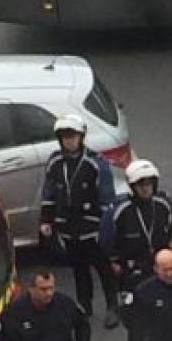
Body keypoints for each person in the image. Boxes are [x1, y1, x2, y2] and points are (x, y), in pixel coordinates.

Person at [40, 113, 119, 323]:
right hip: (67, 225)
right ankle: (85, 304)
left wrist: (103, 225)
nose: (69, 141)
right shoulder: (55, 162)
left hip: (91, 225)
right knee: (78, 267)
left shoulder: (95, 163)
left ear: (81, 137)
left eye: (73, 136)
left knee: (102, 266)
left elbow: (107, 197)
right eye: (65, 137)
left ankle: (113, 305)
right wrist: (46, 221)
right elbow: (48, 193)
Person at [111, 158, 172, 341]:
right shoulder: (121, 212)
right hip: (132, 276)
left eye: (150, 183)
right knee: (136, 327)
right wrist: (118, 265)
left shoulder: (164, 206)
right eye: (141, 184)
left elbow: (168, 233)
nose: (146, 188)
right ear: (132, 187)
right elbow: (108, 241)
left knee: (160, 320)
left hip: (158, 272)